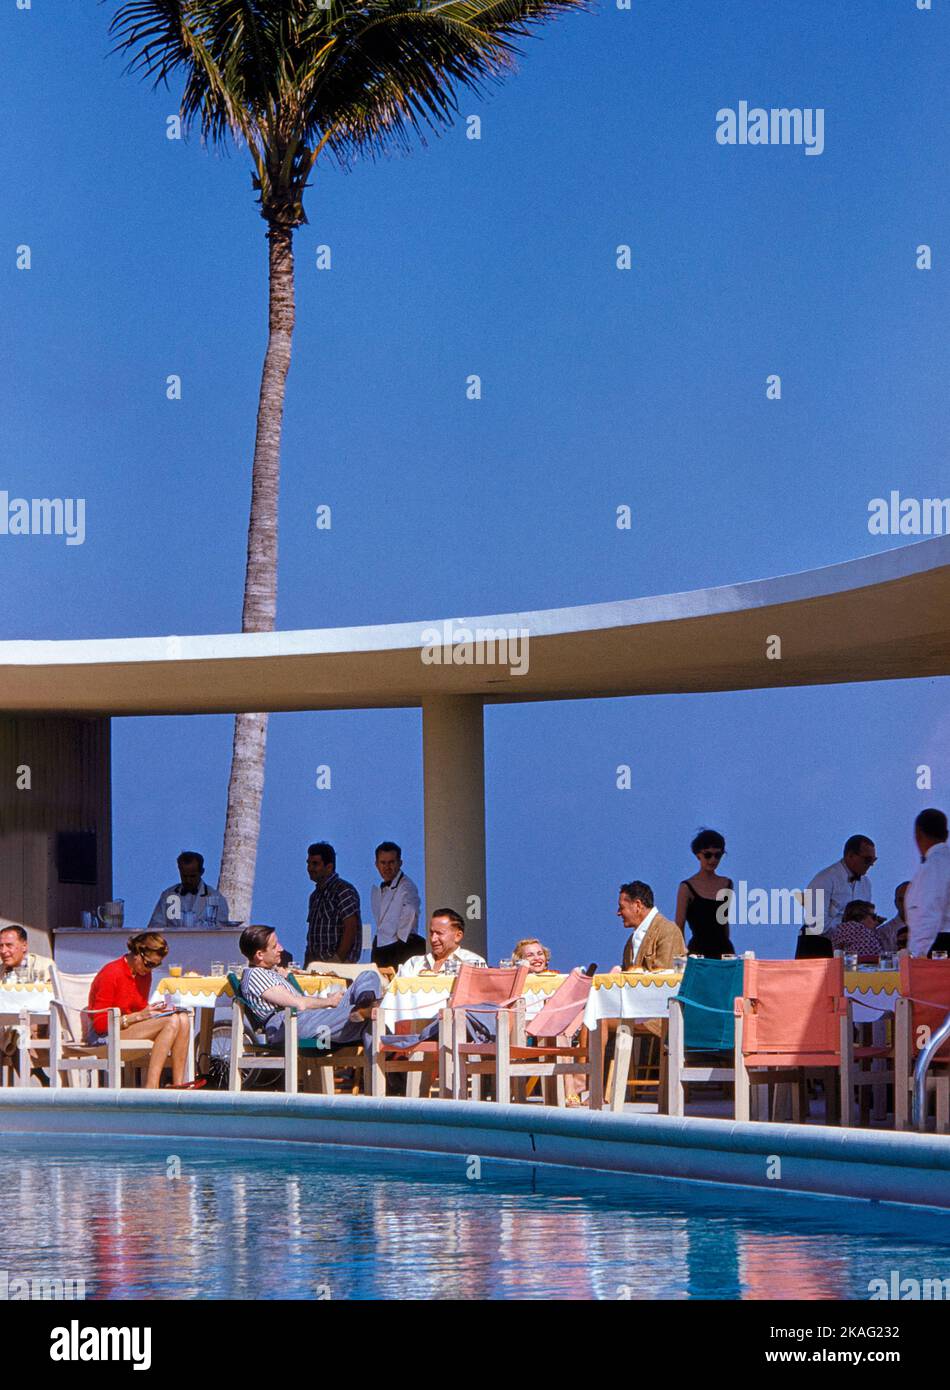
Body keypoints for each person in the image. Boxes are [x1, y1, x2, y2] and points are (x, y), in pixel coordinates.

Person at [238, 924, 382, 1048]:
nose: (281, 949)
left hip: (316, 1025)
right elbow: (298, 1004)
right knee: (376, 1018)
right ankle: (369, 1009)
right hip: (289, 1027)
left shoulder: (272, 972)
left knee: (368, 976)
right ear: (259, 955)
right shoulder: (254, 975)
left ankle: (366, 1006)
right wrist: (328, 1002)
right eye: (274, 946)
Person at [87, 932, 192, 1089]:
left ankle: (178, 1084)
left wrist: (155, 1012)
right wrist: (138, 1016)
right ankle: (151, 1085)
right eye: (149, 964)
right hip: (105, 1035)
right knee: (171, 1021)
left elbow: (139, 1008)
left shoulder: (143, 975)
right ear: (136, 953)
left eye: (156, 966)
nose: (150, 969)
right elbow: (101, 1025)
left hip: (127, 1027)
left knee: (182, 1018)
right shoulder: (111, 973)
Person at [674, 828, 735, 958]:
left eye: (717, 855)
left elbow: (724, 923)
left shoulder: (727, 884)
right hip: (698, 953)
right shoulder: (686, 887)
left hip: (724, 952)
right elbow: (679, 926)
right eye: (708, 855)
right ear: (698, 855)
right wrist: (682, 956)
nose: (712, 860)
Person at [802, 835, 877, 934]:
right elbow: (815, 924)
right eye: (867, 860)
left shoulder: (866, 884)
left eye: (874, 860)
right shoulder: (824, 880)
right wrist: (853, 926)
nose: (871, 864)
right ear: (850, 855)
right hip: (819, 945)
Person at [305, 842, 362, 965]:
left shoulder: (343, 890)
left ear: (329, 867)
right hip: (317, 967)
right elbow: (312, 934)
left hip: (339, 966)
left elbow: (351, 927)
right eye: (308, 863)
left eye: (315, 864)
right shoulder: (315, 896)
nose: (310, 868)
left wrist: (337, 959)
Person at [370, 841, 423, 969]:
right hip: (382, 945)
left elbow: (411, 910)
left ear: (400, 863)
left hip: (398, 947)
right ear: (376, 864)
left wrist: (400, 940)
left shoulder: (407, 886)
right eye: (383, 863)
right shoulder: (382, 887)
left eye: (391, 862)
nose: (387, 867)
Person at [905, 808, 950, 957]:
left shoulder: (935, 865)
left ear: (918, 834)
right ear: (946, 834)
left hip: (939, 946)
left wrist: (916, 956)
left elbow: (926, 914)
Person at [613, 881, 685, 973]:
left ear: (638, 905)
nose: (618, 913)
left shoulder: (668, 931)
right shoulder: (630, 943)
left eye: (621, 907)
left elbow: (668, 978)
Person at [148, 852, 229, 931]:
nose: (188, 880)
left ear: (201, 872)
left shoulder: (216, 897)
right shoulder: (168, 895)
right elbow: (155, 927)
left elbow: (221, 930)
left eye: (192, 876)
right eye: (184, 876)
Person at [397, 909, 487, 976]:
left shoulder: (474, 963)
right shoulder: (414, 963)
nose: (433, 939)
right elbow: (394, 995)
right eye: (431, 933)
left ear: (458, 936)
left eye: (439, 933)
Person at [824, 901, 890, 960]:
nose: (875, 920)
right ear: (860, 917)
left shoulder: (839, 931)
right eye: (873, 916)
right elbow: (875, 956)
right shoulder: (862, 935)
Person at [879, 881, 910, 954]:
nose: (905, 903)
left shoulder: (931, 930)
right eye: (901, 900)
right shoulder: (883, 933)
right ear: (896, 902)